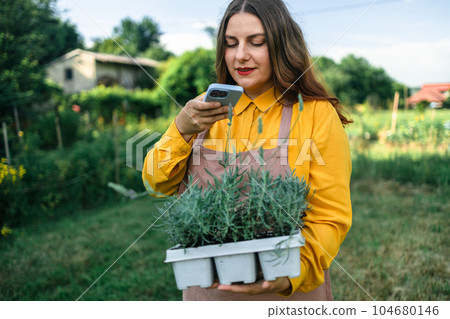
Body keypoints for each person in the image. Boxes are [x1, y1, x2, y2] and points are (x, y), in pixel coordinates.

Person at [143, 0, 352, 301]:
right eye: (231, 44)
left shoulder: (317, 114)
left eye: (257, 43)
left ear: (282, 46)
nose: (240, 56)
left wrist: (289, 275)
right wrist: (181, 130)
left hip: (286, 291)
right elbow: (155, 184)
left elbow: (330, 216)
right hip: (210, 294)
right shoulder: (202, 110)